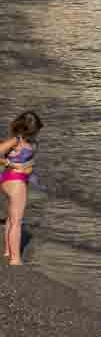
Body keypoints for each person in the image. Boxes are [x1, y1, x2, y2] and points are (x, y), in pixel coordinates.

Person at [1, 110, 41, 265]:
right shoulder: (17, 140)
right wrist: (12, 164)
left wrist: (25, 167)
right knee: (17, 222)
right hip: (15, 180)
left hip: (11, 179)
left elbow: (29, 163)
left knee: (11, 219)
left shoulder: (26, 141)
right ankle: (15, 259)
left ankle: (8, 251)